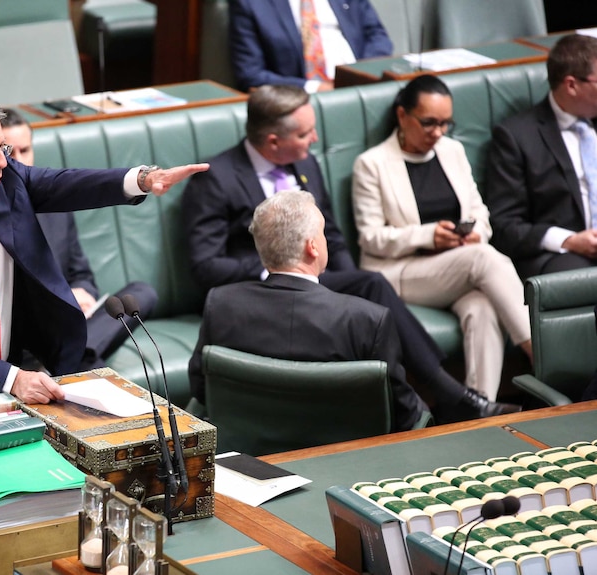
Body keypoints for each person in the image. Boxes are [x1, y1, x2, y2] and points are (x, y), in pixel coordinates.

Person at [182, 83, 518, 422]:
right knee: (372, 285)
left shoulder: (306, 164)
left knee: (365, 291)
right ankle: (445, 394)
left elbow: (332, 236)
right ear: (273, 141)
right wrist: (274, 269)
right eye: (306, 133)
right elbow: (204, 266)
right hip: (260, 287)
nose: (315, 139)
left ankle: (430, 398)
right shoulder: (216, 179)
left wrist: (337, 284)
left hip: (315, 281)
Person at [0, 88, 208, 404]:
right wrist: (12, 378)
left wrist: (142, 179)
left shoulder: (6, 182)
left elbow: (65, 183)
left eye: (3, 149)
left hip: (10, 379)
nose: (1, 161)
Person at [351, 74, 533, 402]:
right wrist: (428, 236)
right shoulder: (372, 164)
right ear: (403, 116)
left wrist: (475, 233)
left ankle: (478, 407)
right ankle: (538, 351)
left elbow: (479, 211)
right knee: (485, 258)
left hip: (457, 267)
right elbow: (370, 238)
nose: (438, 132)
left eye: (446, 123)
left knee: (482, 307)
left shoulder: (453, 151)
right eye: (429, 122)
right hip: (402, 271)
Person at [188, 191, 428, 431]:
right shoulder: (368, 320)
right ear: (312, 247)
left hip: (252, 457)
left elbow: (201, 388)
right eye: (322, 234)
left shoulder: (221, 304)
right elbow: (402, 413)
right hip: (345, 457)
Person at [0, 108, 158, 369]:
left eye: (25, 150)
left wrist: (82, 293)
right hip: (29, 333)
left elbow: (80, 272)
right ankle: (78, 358)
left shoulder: (56, 206)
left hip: (71, 322)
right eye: (10, 153)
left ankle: (76, 356)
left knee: (142, 293)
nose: (20, 161)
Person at [485, 33, 597, 279]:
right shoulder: (516, 136)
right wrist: (568, 240)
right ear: (571, 85)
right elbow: (504, 226)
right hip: (561, 255)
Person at [228, 0, 392, 93]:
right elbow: (250, 74)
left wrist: (360, 76)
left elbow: (378, 37)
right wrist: (316, 88)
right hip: (301, 99)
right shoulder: (250, 4)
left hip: (362, 87)